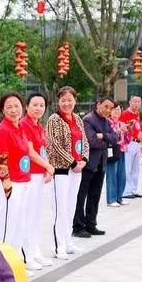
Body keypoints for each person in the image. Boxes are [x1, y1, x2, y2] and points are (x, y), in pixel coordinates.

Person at [0, 92, 36, 265]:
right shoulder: (3, 130)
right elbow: (1, 163)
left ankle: (15, 263)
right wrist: (8, 189)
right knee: (7, 227)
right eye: (8, 106)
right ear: (2, 110)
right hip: (9, 185)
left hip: (23, 182)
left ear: (23, 107)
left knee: (19, 225)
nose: (13, 110)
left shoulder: (20, 128)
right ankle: (0, 265)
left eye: (16, 105)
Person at [45, 86, 87, 258]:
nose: (67, 103)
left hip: (78, 169)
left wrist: (84, 159)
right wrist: (72, 162)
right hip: (61, 169)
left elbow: (84, 140)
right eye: (63, 100)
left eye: (70, 100)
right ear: (58, 101)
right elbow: (54, 144)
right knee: (59, 209)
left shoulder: (77, 118)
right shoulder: (54, 119)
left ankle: (68, 242)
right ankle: (59, 246)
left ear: (75, 100)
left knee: (70, 207)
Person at [21, 94, 56, 269]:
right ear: (27, 106)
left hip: (40, 176)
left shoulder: (38, 126)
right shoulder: (24, 125)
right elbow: (30, 152)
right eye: (35, 104)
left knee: (36, 216)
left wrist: (46, 169)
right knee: (28, 217)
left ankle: (35, 251)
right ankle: (27, 256)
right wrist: (48, 166)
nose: (38, 108)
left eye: (42, 105)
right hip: (29, 176)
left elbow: (43, 149)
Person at [76, 97, 113, 232]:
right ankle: (78, 226)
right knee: (82, 196)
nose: (108, 110)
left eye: (110, 108)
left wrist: (103, 136)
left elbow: (115, 138)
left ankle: (91, 224)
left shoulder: (106, 122)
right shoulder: (88, 119)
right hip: (88, 164)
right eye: (106, 106)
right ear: (98, 104)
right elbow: (91, 141)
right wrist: (107, 140)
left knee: (95, 195)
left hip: (101, 163)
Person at [120, 96, 142, 199]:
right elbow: (121, 127)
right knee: (127, 167)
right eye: (134, 101)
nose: (136, 103)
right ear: (129, 102)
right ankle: (126, 191)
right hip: (129, 143)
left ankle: (133, 189)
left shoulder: (137, 114)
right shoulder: (125, 114)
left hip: (137, 143)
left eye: (139, 101)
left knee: (136, 168)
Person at [105, 103, 127, 205]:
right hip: (111, 151)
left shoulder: (121, 123)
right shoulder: (107, 123)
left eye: (119, 109)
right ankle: (111, 199)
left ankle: (119, 197)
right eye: (114, 109)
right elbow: (107, 136)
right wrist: (118, 131)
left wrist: (127, 130)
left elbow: (127, 139)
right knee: (111, 175)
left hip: (121, 150)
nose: (117, 112)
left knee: (121, 175)